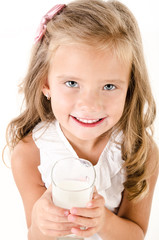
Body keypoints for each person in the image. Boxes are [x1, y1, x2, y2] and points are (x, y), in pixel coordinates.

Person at [6, 0, 159, 239]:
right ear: (45, 83)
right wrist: (42, 223)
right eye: (72, 83)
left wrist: (104, 221)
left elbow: (136, 234)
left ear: (130, 88)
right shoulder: (29, 154)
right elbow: (34, 236)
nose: (90, 105)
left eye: (109, 86)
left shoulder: (139, 151)